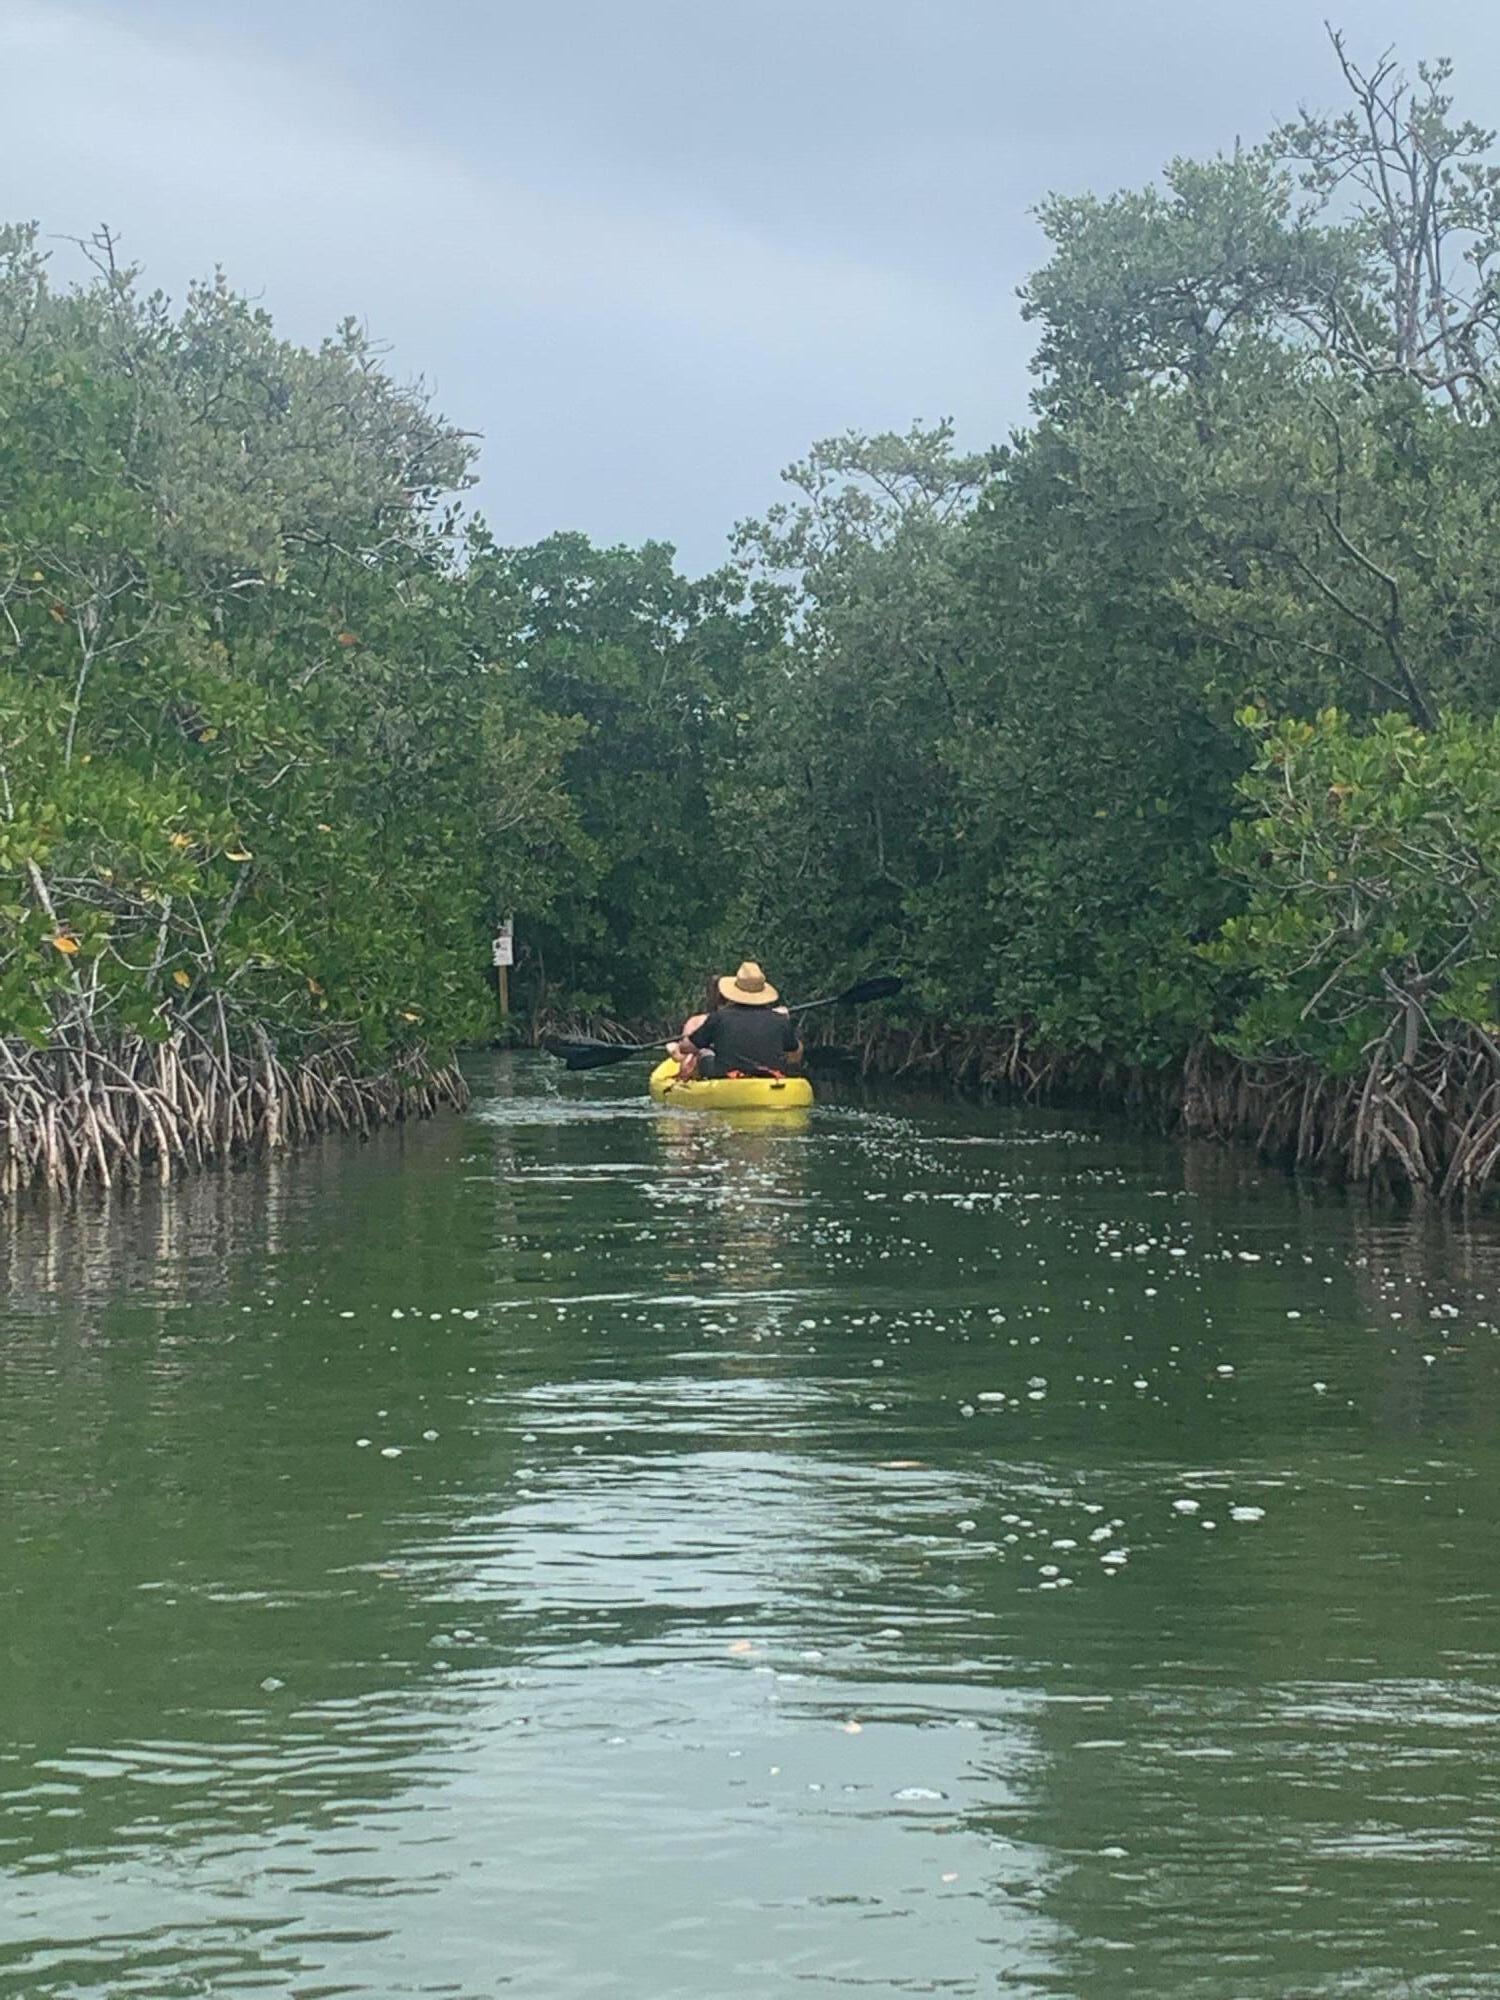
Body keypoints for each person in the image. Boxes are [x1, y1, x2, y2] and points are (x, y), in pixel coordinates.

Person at [676, 962, 801, 1079]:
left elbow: (686, 1048)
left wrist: (684, 1041)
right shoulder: (780, 1020)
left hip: (729, 1077)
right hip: (771, 1076)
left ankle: (690, 1081)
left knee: (704, 1053)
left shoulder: (718, 1017)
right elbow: (796, 1053)